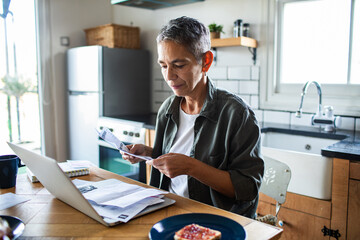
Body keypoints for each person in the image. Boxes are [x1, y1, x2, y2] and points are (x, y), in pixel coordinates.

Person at [121, 16, 264, 218]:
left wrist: (191, 166)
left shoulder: (237, 115)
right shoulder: (168, 109)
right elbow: (176, 159)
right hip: (167, 211)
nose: (169, 76)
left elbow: (248, 188)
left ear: (205, 61)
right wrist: (149, 153)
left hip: (215, 222)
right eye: (163, 65)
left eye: (179, 65)